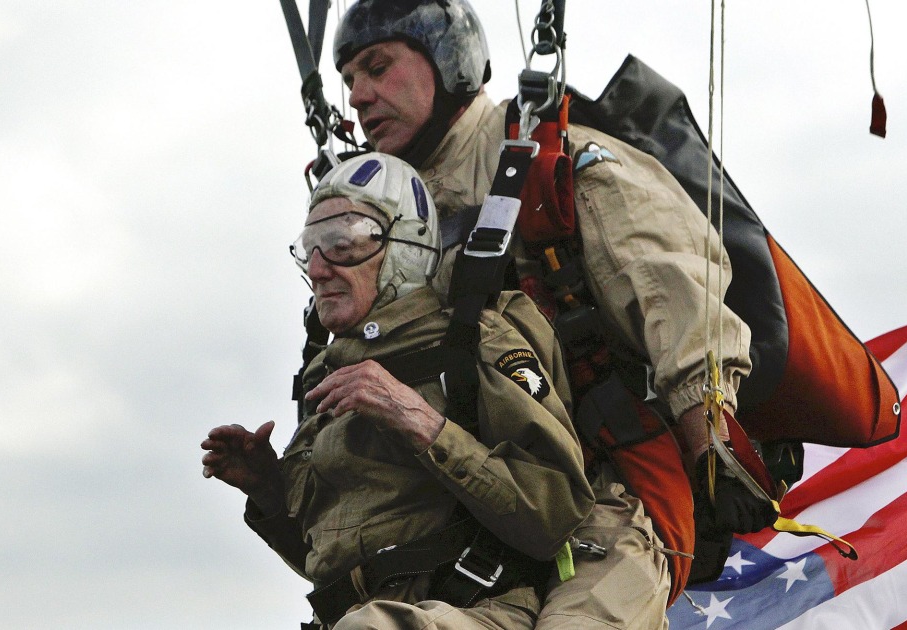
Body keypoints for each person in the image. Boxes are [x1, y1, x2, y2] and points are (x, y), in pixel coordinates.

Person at [330, 1, 776, 627]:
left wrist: (712, 440)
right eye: (349, 80)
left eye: (377, 68)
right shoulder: (378, 223)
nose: (358, 96)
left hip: (608, 506)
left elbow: (675, 287)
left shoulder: (559, 167)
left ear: (448, 61)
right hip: (469, 520)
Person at [202, 153, 594, 629]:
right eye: (312, 249)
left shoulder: (474, 343)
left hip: (478, 610)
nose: (321, 268)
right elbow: (325, 558)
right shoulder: (327, 377)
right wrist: (266, 487)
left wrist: (420, 421)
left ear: (404, 246)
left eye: (341, 243)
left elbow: (557, 514)